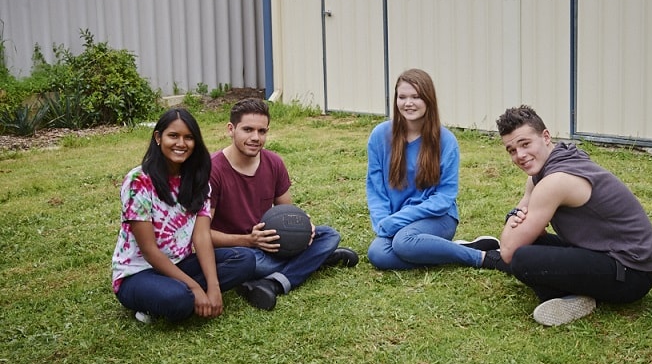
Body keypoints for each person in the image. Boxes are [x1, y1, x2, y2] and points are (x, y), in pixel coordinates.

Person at [493, 105, 652, 326]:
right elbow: (524, 229)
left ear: (546, 136)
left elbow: (507, 251)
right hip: (609, 255)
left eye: (525, 144)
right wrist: (516, 219)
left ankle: (572, 297)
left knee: (523, 259)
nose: (520, 156)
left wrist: (512, 218)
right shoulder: (555, 162)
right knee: (532, 242)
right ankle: (579, 294)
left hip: (633, 273)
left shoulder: (556, 181)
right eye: (512, 150)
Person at [209, 98, 358, 311]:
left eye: (262, 131)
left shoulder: (274, 163)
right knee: (248, 263)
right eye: (248, 129)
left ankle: (273, 282)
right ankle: (312, 261)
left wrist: (304, 227)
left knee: (328, 235)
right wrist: (249, 240)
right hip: (239, 251)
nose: (255, 137)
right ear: (231, 129)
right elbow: (202, 235)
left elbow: (288, 213)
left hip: (271, 243)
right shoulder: (213, 170)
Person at [112, 108, 255, 323]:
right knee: (179, 298)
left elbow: (202, 236)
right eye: (173, 136)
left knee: (245, 260)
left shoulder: (198, 179)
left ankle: (177, 294)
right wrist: (195, 286)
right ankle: (164, 299)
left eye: (188, 137)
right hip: (138, 273)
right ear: (158, 138)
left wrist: (214, 286)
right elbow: (149, 251)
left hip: (181, 262)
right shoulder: (138, 180)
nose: (181, 143)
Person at [366, 68, 502, 270]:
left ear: (428, 100)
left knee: (404, 242)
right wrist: (383, 222)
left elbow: (444, 198)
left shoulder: (446, 141)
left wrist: (396, 222)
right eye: (402, 97)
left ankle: (481, 257)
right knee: (378, 254)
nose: (408, 103)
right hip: (395, 221)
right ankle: (448, 250)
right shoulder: (380, 135)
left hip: (438, 218)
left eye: (416, 97)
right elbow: (375, 188)